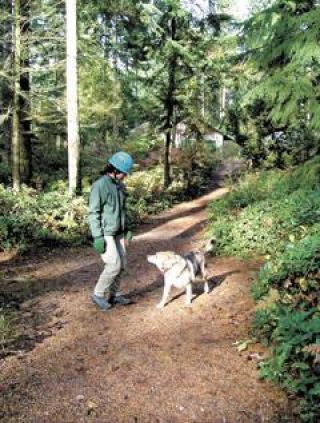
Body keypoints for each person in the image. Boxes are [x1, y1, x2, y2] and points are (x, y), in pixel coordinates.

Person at [88, 151, 134, 310]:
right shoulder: (99, 186)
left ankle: (114, 295)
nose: (125, 176)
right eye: (124, 173)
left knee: (122, 265)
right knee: (113, 265)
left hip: (119, 232)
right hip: (106, 233)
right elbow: (93, 213)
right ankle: (98, 294)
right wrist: (97, 237)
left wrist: (127, 229)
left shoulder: (120, 186)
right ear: (114, 170)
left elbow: (123, 210)